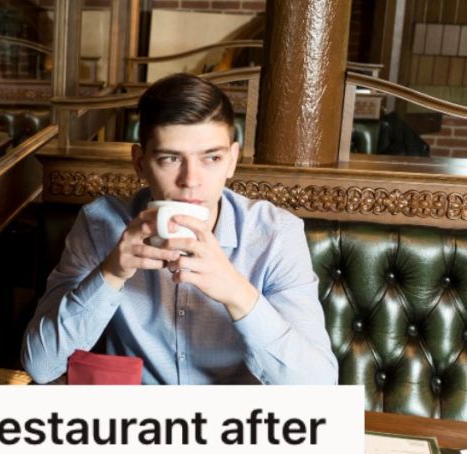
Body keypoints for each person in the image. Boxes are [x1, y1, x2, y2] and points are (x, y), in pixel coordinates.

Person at [21, 73, 337, 385]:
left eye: (211, 158)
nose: (190, 180)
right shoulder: (101, 225)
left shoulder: (276, 234)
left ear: (232, 161)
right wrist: (111, 273)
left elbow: (320, 388)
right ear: (140, 162)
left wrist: (236, 292)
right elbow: (42, 366)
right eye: (171, 159)